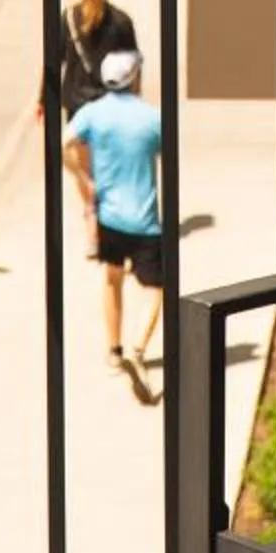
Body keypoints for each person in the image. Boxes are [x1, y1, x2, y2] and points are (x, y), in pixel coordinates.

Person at [63, 49, 164, 373]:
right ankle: (138, 347)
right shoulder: (151, 117)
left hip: (110, 216)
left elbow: (65, 144)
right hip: (145, 220)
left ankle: (114, 350)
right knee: (156, 289)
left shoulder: (93, 114)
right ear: (135, 78)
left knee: (112, 280)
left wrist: (84, 180)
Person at [39, 0, 139, 123]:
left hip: (76, 103)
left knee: (77, 148)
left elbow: (54, 62)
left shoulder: (69, 18)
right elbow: (133, 67)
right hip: (110, 103)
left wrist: (43, 99)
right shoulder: (121, 21)